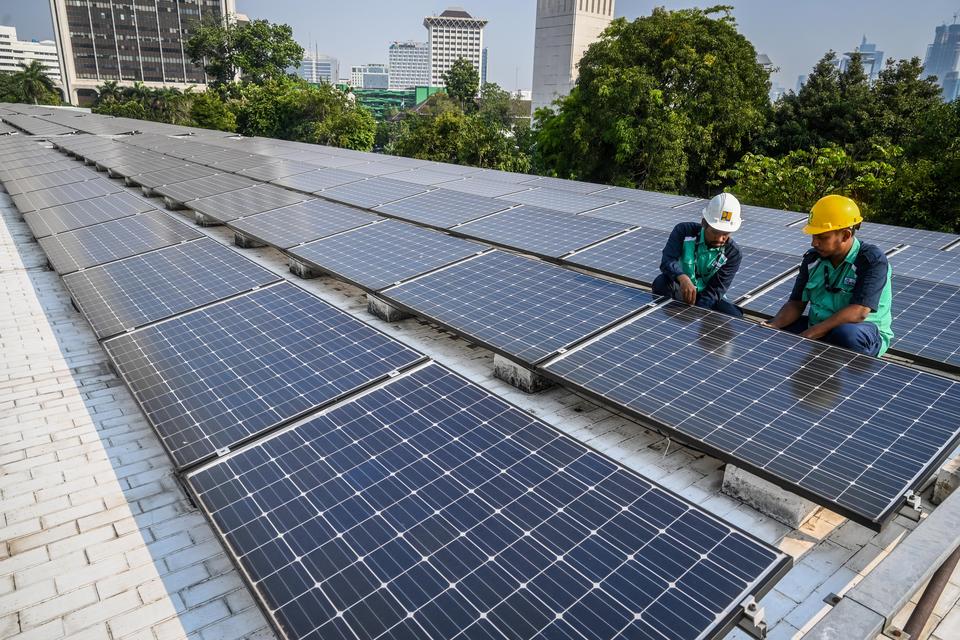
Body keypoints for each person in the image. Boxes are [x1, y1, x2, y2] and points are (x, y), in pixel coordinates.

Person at [763, 195, 894, 357]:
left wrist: (810, 334)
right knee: (773, 332)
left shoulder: (871, 260)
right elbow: (796, 304)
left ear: (846, 235)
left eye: (822, 237)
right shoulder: (812, 259)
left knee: (845, 336)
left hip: (862, 331)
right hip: (819, 326)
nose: (814, 243)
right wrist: (774, 325)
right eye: (813, 236)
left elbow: (859, 312)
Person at [653, 193, 744, 318]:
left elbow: (715, 290)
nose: (720, 238)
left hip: (708, 297)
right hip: (681, 288)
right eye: (715, 232)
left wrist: (696, 313)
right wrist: (683, 278)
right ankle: (665, 321)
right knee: (660, 283)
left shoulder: (733, 253)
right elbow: (667, 261)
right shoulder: (684, 231)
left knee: (735, 316)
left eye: (726, 233)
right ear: (704, 223)